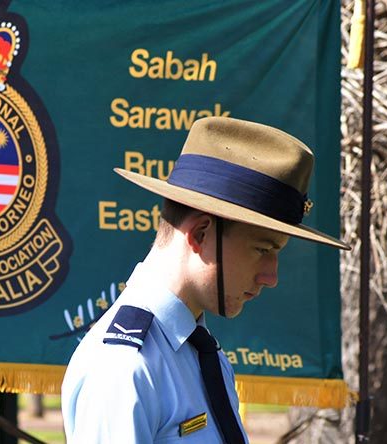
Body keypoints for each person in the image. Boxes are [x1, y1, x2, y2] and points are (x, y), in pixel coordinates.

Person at [61, 117, 350, 443]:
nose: (272, 277)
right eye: (261, 248)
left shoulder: (198, 351)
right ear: (200, 233)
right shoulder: (125, 367)